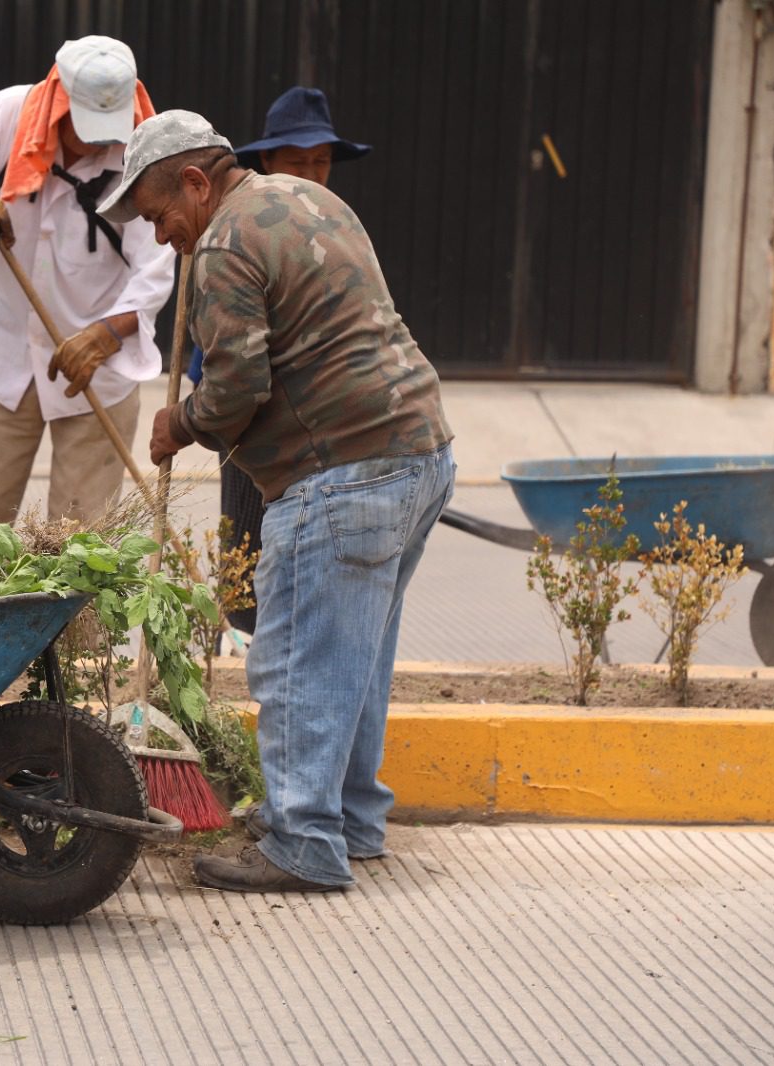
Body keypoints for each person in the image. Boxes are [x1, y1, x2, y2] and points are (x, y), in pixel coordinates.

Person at [99, 111, 455, 892]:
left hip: (341, 473)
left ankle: (302, 841)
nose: (162, 237)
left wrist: (179, 423)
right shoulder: (307, 197)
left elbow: (234, 391)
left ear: (198, 181)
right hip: (419, 452)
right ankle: (349, 819)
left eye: (161, 215)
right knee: (352, 659)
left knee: (296, 662)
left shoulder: (224, 243)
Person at [0, 35, 176, 523]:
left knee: (82, 534)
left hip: (98, 363)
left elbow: (155, 266)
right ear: (60, 100)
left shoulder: (143, 144)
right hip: (8, 353)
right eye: (85, 126)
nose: (97, 140)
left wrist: (106, 335)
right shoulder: (9, 113)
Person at [194, 87, 372, 635]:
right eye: (299, 162)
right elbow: (225, 364)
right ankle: (240, 641)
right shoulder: (238, 229)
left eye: (322, 162)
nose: (313, 174)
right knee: (246, 562)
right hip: (252, 424)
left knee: (304, 586)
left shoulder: (336, 222)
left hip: (318, 433)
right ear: (268, 161)